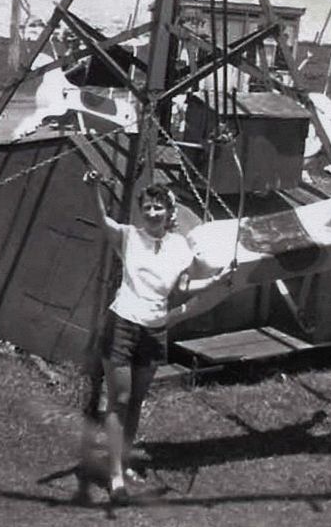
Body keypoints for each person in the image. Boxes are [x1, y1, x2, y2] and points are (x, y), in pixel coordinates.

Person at [84, 172, 234, 505]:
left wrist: (216, 282)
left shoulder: (180, 246)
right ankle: (116, 476)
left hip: (154, 329)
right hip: (122, 323)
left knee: (136, 400)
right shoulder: (129, 237)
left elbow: (180, 289)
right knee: (119, 399)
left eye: (158, 208)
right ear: (141, 212)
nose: (152, 213)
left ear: (169, 213)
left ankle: (122, 458)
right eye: (147, 207)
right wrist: (94, 188)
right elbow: (102, 220)